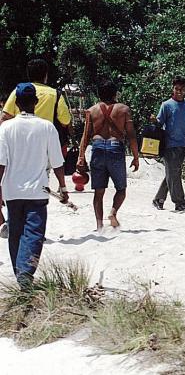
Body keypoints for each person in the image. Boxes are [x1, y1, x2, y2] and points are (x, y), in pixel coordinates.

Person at [0, 83, 69, 289]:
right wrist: (64, 189)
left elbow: (1, 164)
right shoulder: (47, 127)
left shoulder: (5, 128)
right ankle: (25, 275)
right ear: (36, 103)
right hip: (38, 191)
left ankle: (21, 274)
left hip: (12, 191)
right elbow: (58, 162)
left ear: (17, 103)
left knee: (15, 233)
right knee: (34, 234)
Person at [0, 59, 72, 236]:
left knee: (15, 181)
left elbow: (5, 117)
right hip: (42, 147)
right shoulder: (55, 94)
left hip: (16, 145)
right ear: (46, 75)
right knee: (39, 185)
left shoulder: (17, 92)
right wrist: (63, 188)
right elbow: (65, 120)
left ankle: (14, 223)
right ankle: (33, 227)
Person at [77, 80, 140, 230]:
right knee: (121, 189)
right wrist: (136, 157)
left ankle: (99, 225)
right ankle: (112, 212)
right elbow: (131, 135)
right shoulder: (124, 110)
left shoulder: (91, 110)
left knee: (99, 191)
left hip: (97, 148)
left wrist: (81, 156)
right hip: (115, 148)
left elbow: (85, 136)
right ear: (115, 93)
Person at [152, 76, 185, 212]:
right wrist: (154, 121)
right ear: (173, 89)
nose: (179, 91)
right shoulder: (166, 105)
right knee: (174, 173)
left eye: (181, 89)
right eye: (176, 89)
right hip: (168, 144)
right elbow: (159, 123)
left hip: (183, 144)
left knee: (173, 173)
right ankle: (180, 202)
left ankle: (158, 199)